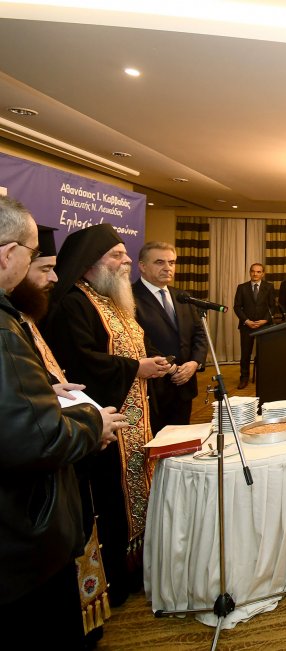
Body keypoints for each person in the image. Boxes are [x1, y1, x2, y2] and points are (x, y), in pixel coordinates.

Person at [0, 197, 126, 646]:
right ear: (8, 255)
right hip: (23, 524)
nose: (49, 277)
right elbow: (35, 438)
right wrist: (94, 424)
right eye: (36, 259)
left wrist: (41, 391)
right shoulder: (6, 327)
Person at [43, 224, 171, 606]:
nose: (126, 261)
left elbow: (136, 347)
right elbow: (82, 361)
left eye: (125, 254)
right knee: (110, 502)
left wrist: (154, 363)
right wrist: (135, 369)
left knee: (139, 489)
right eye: (117, 255)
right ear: (89, 264)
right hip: (103, 426)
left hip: (137, 418)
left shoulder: (115, 301)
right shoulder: (74, 303)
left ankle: (138, 567)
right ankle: (115, 576)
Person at [133, 241, 208, 433]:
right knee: (157, 441)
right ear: (142, 266)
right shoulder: (129, 297)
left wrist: (194, 363)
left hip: (185, 385)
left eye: (172, 262)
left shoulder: (183, 296)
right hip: (153, 387)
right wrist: (171, 368)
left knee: (181, 438)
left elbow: (199, 334)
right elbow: (137, 340)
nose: (168, 268)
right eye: (160, 262)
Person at [232, 263, 278, 389]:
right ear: (249, 272)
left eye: (258, 272)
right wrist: (246, 320)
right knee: (245, 354)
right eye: (253, 271)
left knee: (265, 354)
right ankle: (244, 378)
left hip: (264, 325)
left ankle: (264, 377)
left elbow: (272, 306)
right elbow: (237, 307)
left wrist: (265, 320)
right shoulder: (242, 287)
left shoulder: (269, 287)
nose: (255, 274)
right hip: (247, 326)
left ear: (263, 273)